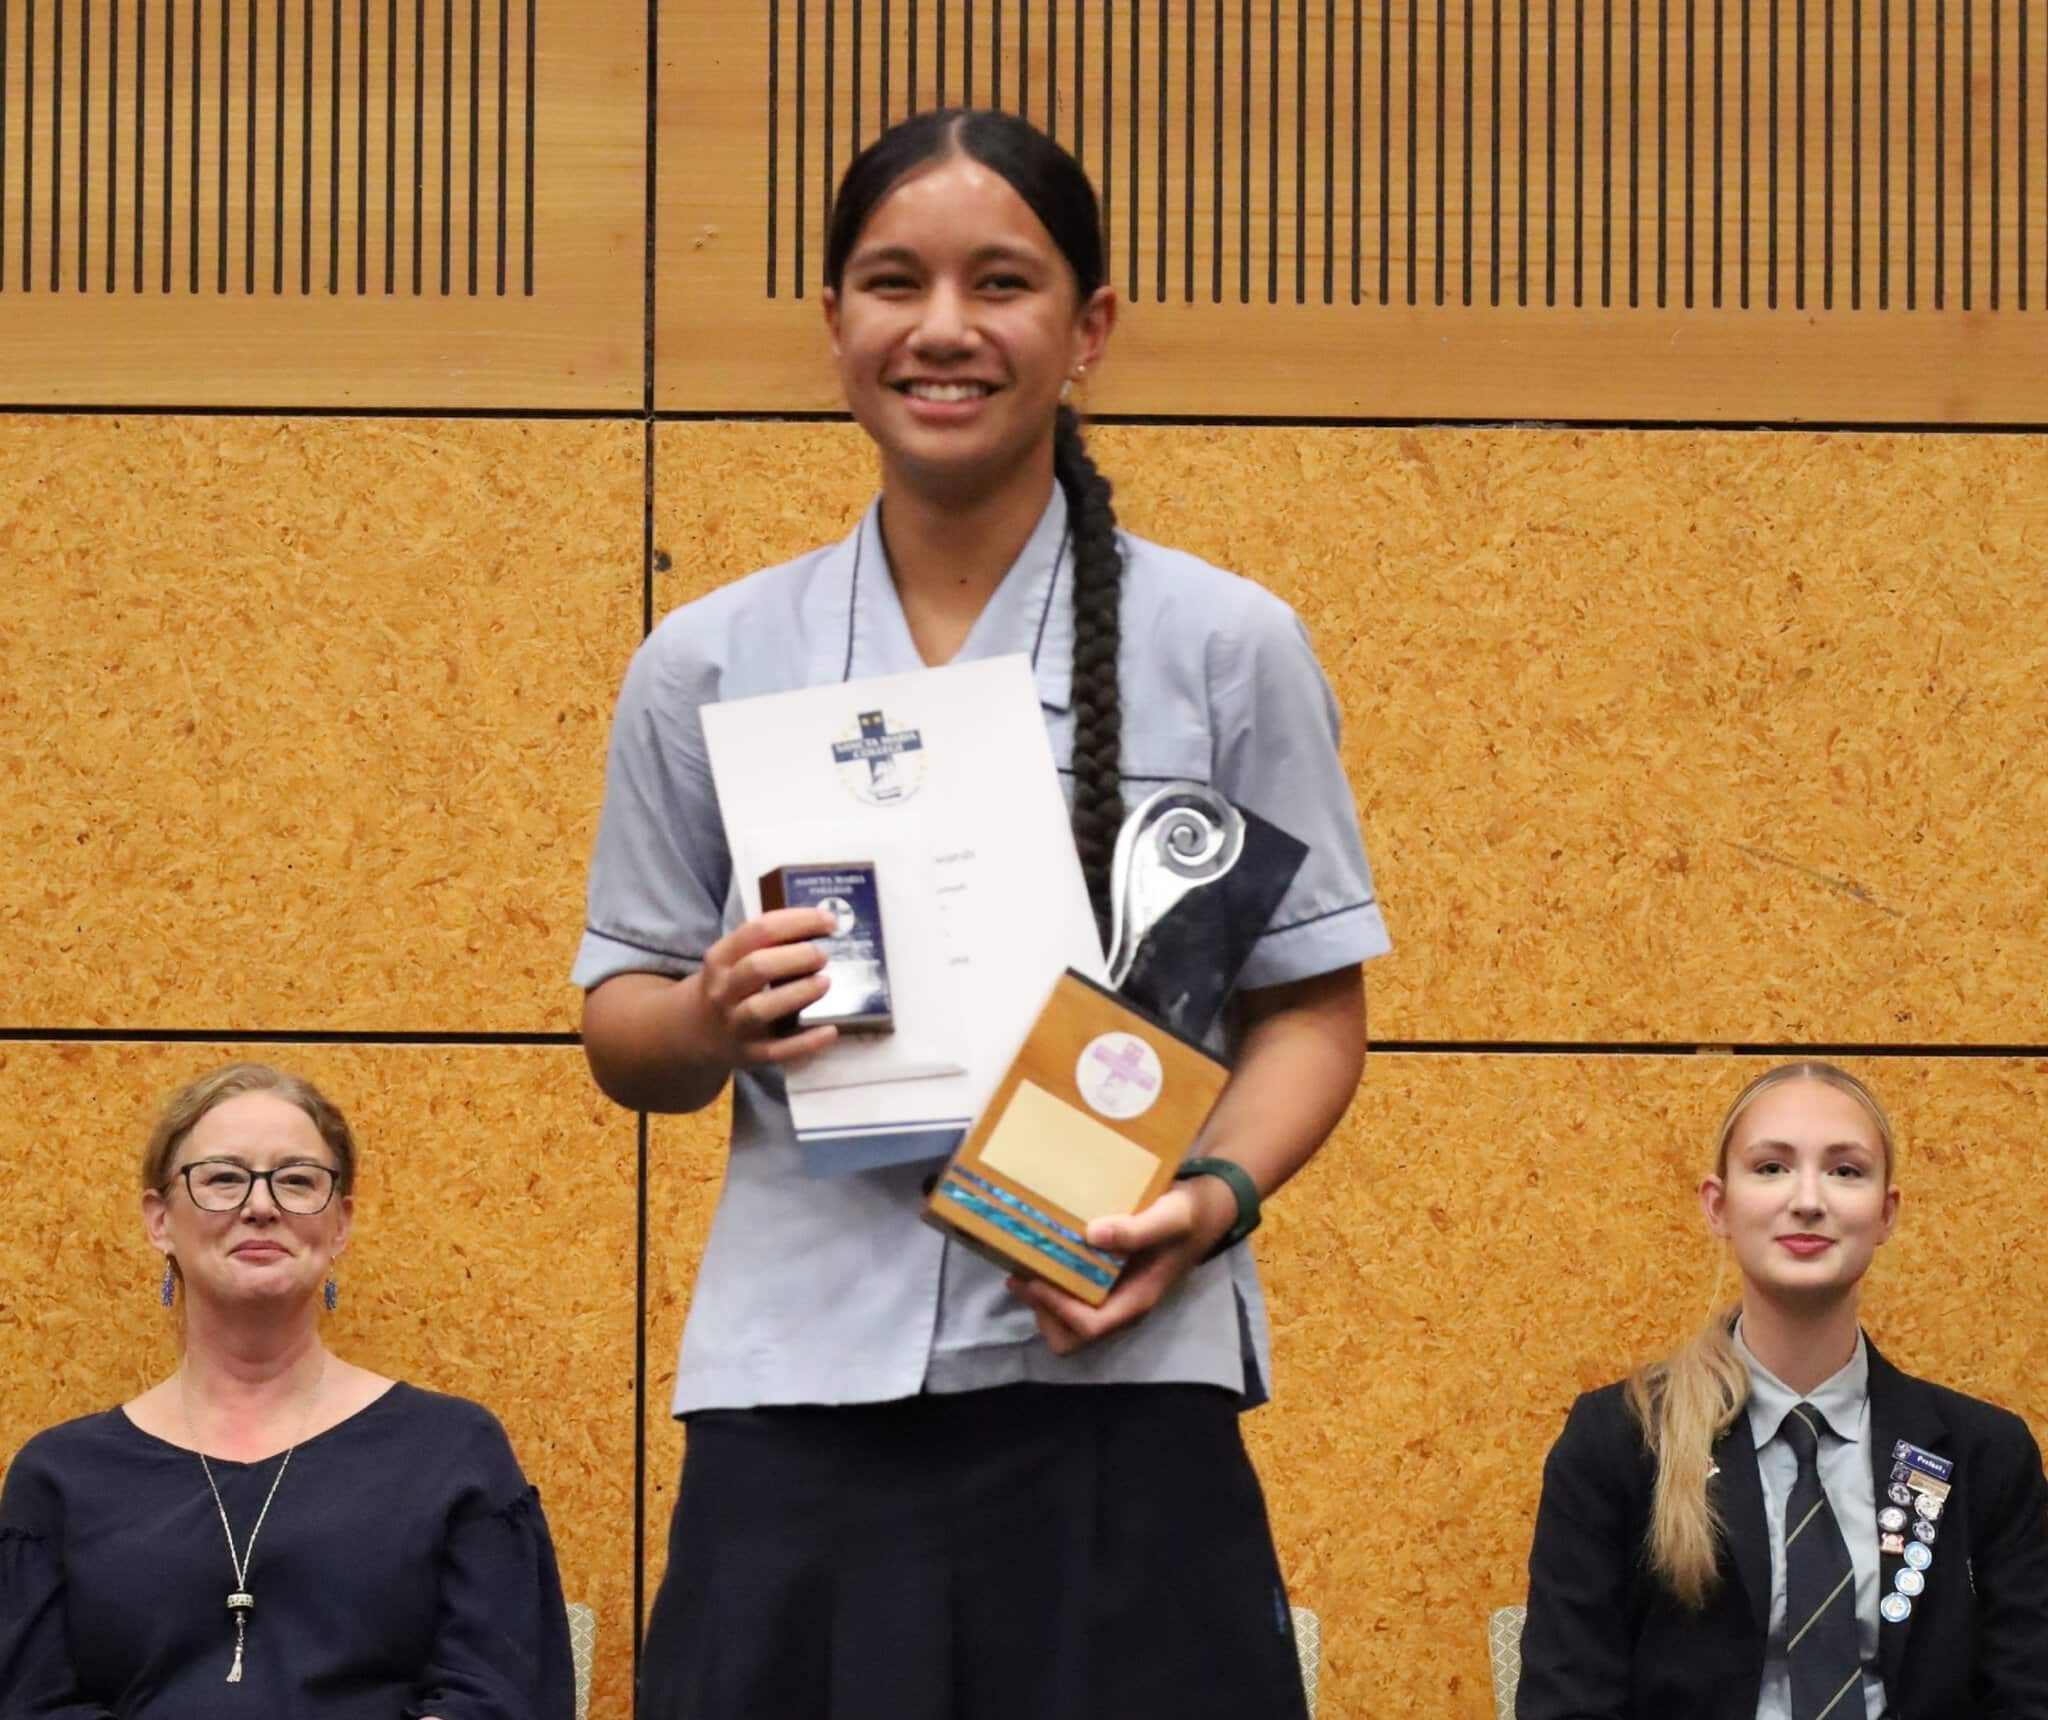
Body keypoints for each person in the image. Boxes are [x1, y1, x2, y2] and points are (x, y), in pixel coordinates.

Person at [575, 107, 1390, 1720]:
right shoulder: (708, 660)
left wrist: (1208, 1201)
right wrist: (709, 1011)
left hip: (1115, 1371)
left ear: (1088, 329)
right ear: (833, 325)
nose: (942, 327)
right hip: (800, 1387)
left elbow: (1309, 1006)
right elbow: (623, 1027)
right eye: (894, 282)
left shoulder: (1224, 644)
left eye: (1001, 282)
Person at [0, 1062, 577, 1718]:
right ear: (159, 1221)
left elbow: (500, 1695)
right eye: (222, 1178)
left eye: (298, 1180)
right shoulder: (60, 1478)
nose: (260, 1206)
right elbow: (28, 1703)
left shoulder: (454, 1452)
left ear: (340, 1225)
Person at [1517, 1062, 2048, 1719]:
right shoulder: (1619, 1442)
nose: (1808, 1199)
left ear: (1886, 1214)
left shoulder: (1985, 1455)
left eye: (1845, 1171)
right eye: (1771, 1168)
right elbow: (1567, 1702)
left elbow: (2027, 1696)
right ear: (1718, 1206)